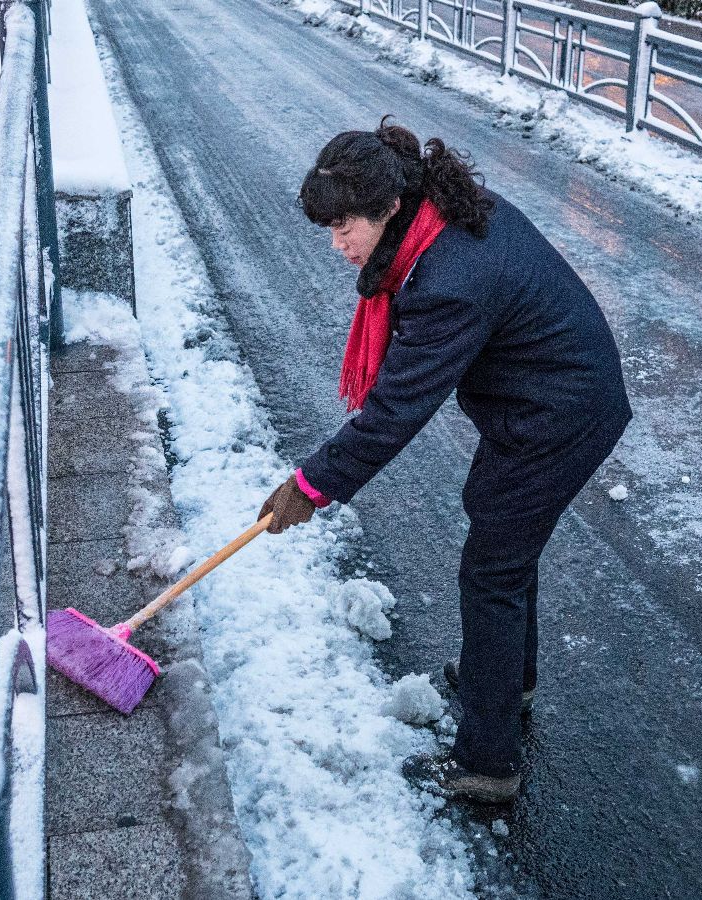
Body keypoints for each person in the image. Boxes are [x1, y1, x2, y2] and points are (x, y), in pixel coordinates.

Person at [258, 117, 631, 804]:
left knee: (492, 570)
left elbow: (395, 411)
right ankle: (506, 682)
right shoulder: (437, 218)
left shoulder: (447, 282)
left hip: (560, 414)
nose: (338, 245)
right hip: (541, 398)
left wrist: (310, 485)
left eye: (344, 227)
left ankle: (489, 763)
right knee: (501, 541)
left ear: (388, 207)